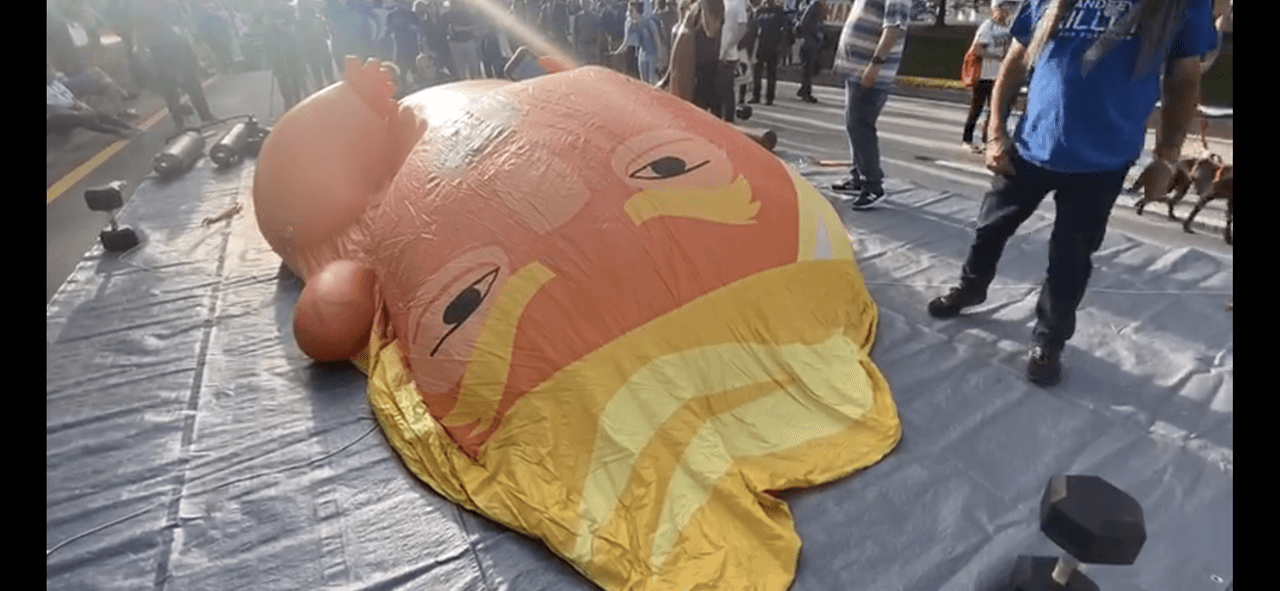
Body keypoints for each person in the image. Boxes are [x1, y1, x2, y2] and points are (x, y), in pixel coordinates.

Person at [927, 0, 1218, 387]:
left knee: (1071, 257)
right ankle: (971, 286)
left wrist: (1165, 160)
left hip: (1103, 162)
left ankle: (1049, 340)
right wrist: (996, 132)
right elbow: (1015, 62)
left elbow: (1184, 80)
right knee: (990, 227)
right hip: (1031, 148)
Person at [827, 0, 910, 207]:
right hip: (857, 70)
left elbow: (893, 29)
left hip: (870, 72)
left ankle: (872, 185)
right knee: (853, 124)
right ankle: (858, 176)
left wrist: (875, 65)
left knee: (860, 125)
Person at [133, 0, 218, 129]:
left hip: (178, 48)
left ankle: (204, 116)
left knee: (191, 85)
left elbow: (184, 24)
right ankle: (181, 123)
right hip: (161, 51)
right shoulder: (146, 7)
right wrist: (140, 51)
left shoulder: (173, 5)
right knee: (171, 90)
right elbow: (140, 30)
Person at [962, 0, 1018, 153]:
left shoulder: (1009, 27)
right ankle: (967, 139)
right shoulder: (988, 26)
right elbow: (976, 49)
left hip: (1000, 76)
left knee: (995, 110)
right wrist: (998, 56)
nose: (1005, 11)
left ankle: (987, 140)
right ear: (994, 9)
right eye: (1002, 8)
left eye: (1008, 8)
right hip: (985, 74)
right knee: (977, 108)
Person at [610, 1, 663, 83]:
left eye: (631, 10)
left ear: (637, 11)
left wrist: (660, 56)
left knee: (652, 80)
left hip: (653, 54)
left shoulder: (648, 22)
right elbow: (626, 43)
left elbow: (657, 39)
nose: (628, 13)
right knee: (644, 81)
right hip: (642, 54)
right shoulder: (629, 25)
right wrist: (616, 52)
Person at [715, 0, 748, 120]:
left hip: (729, 55)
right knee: (716, 90)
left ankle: (729, 120)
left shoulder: (738, 2)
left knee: (727, 90)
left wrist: (730, 45)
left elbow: (743, 27)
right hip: (716, 51)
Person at [748, 0, 785, 104]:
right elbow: (754, 26)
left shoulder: (778, 11)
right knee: (757, 73)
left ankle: (769, 97)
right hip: (760, 45)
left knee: (771, 73)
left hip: (773, 46)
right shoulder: (760, 10)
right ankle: (756, 96)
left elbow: (783, 29)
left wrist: (780, 45)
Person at [793, 0, 824, 103]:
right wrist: (818, 37)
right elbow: (808, 19)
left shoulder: (802, 4)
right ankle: (806, 92)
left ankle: (803, 89)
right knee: (809, 67)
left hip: (804, 39)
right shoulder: (814, 4)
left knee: (806, 67)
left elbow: (798, 20)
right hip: (811, 40)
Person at [445, 0, 482, 78]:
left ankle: (477, 85)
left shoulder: (468, 12)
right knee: (461, 70)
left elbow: (475, 27)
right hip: (455, 43)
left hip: (469, 42)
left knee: (474, 68)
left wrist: (461, 29)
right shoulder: (448, 13)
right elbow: (446, 29)